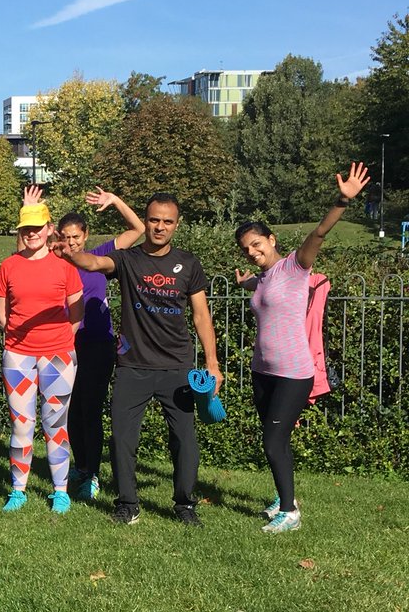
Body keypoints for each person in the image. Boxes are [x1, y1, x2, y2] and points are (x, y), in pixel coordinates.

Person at [60, 193, 221, 526]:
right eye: (154, 220)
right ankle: (127, 503)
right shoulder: (128, 259)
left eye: (167, 221)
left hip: (176, 365)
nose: (159, 227)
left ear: (177, 225)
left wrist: (212, 363)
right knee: (122, 437)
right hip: (133, 366)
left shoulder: (188, 263)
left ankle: (184, 504)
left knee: (184, 438)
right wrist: (71, 253)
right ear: (145, 220)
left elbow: (201, 315)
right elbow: (94, 263)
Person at [233, 163, 369, 533]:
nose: (252, 252)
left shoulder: (296, 266)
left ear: (272, 239)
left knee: (273, 440)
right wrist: (247, 282)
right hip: (263, 370)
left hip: (294, 371)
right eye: (246, 249)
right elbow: (261, 293)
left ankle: (290, 512)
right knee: (276, 439)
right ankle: (283, 496)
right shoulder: (261, 278)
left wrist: (342, 200)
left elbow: (320, 233)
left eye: (257, 244)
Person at [0, 197, 84, 514]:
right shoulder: (9, 266)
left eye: (37, 227)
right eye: (26, 228)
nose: (31, 233)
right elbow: (0, 312)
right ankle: (18, 491)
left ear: (49, 229)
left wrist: (60, 340)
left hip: (58, 356)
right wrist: (19, 335)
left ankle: (61, 491)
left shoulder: (65, 268)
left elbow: (77, 313)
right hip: (18, 356)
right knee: (21, 424)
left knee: (55, 424)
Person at [55, 187, 145, 502]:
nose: (71, 242)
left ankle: (91, 474)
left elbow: (139, 230)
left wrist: (116, 200)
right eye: (66, 237)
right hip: (64, 345)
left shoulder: (101, 254)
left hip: (97, 345)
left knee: (89, 407)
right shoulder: (56, 262)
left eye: (76, 237)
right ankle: (82, 467)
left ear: (86, 235)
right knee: (71, 410)